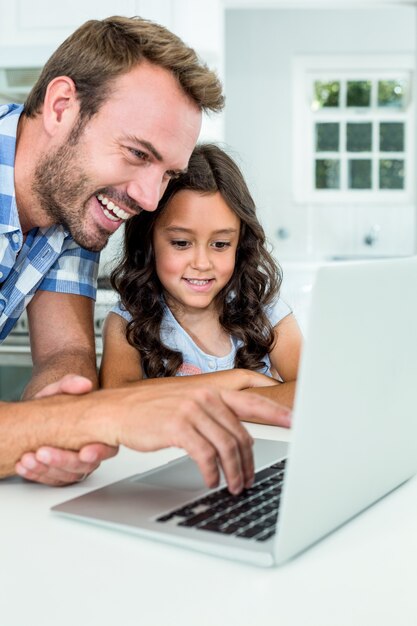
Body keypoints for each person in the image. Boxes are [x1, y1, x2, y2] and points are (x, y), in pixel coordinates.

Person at [0, 16, 291, 492]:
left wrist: (56, 432)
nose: (151, 200)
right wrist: (80, 419)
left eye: (167, 174)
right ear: (60, 107)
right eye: (137, 153)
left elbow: (64, 352)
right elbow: (84, 409)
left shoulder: (70, 209)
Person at [100, 144, 302, 418]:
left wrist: (199, 400)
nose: (202, 263)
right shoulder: (127, 321)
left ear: (239, 244)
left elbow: (311, 396)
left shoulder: (269, 314)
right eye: (181, 243)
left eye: (220, 244)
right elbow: (118, 401)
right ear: (148, 241)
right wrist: (240, 380)